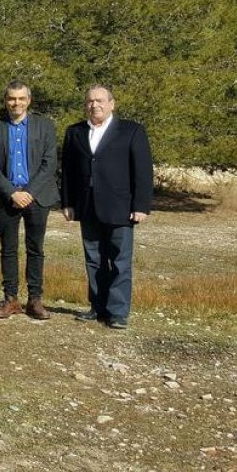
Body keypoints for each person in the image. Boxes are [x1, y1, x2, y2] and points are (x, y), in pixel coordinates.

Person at [60, 85, 153, 330]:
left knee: (120, 261)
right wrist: (68, 202)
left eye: (100, 100)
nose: (95, 105)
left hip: (120, 207)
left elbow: (143, 171)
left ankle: (118, 312)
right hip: (87, 206)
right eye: (90, 101)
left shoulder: (131, 131)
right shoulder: (75, 132)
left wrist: (141, 205)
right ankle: (97, 306)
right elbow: (68, 171)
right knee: (93, 259)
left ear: (112, 104)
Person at [0, 81, 59, 320]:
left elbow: (49, 164)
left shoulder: (45, 126)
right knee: (8, 249)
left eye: (21, 98)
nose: (16, 103)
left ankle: (35, 300)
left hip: (37, 197)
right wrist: (12, 193)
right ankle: (10, 299)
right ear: (5, 101)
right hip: (5, 198)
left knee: (35, 249)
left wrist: (28, 193)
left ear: (29, 100)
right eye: (12, 99)